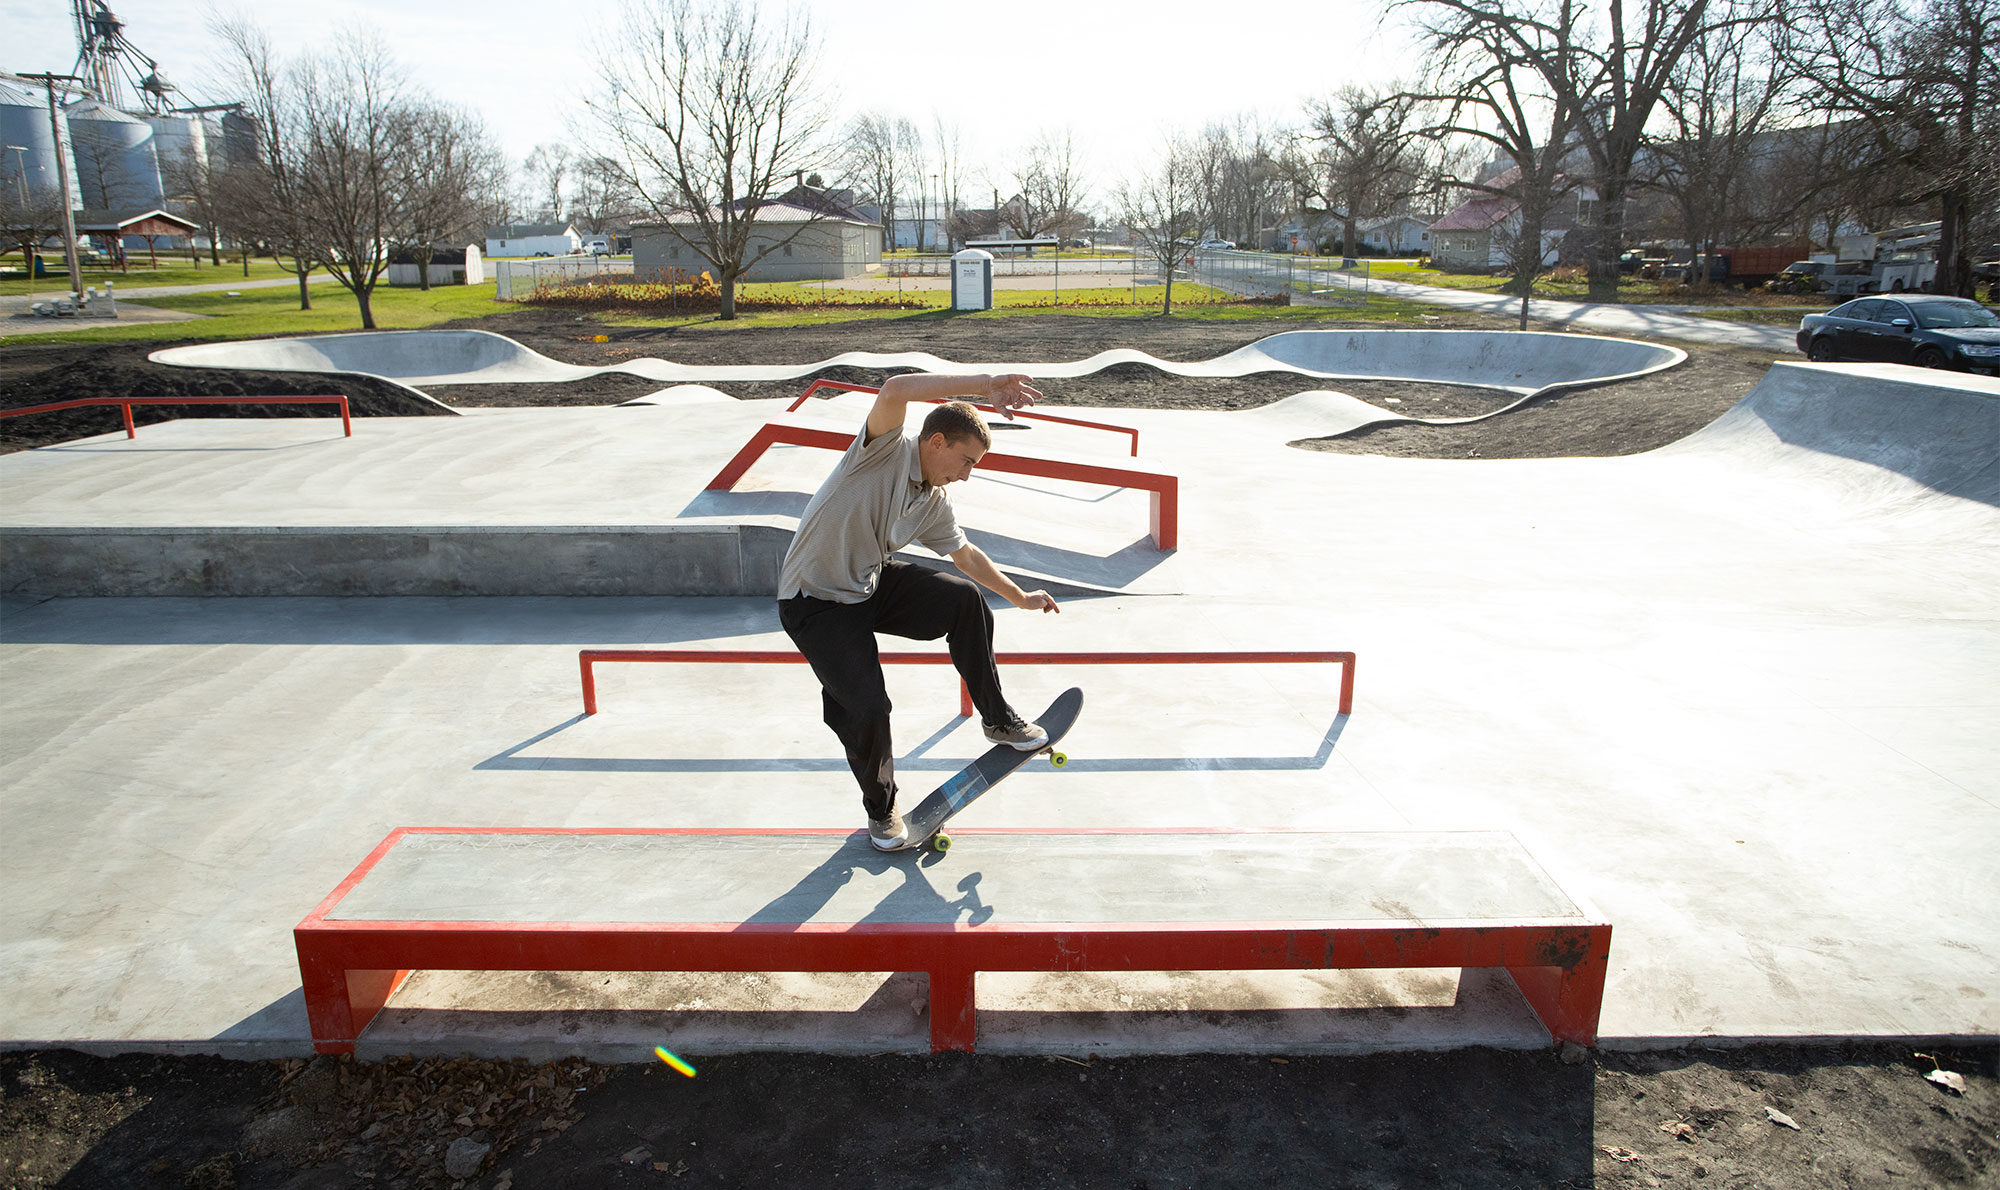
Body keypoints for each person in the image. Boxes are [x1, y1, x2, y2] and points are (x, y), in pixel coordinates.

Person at [776, 372, 1061, 850]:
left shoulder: (935, 502)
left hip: (868, 583)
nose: (967, 474)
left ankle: (998, 720)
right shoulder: (883, 449)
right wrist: (988, 382)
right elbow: (893, 389)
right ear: (936, 441)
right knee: (868, 707)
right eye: (966, 460)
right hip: (814, 601)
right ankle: (882, 812)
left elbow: (967, 556)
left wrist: (1020, 597)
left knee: (963, 598)